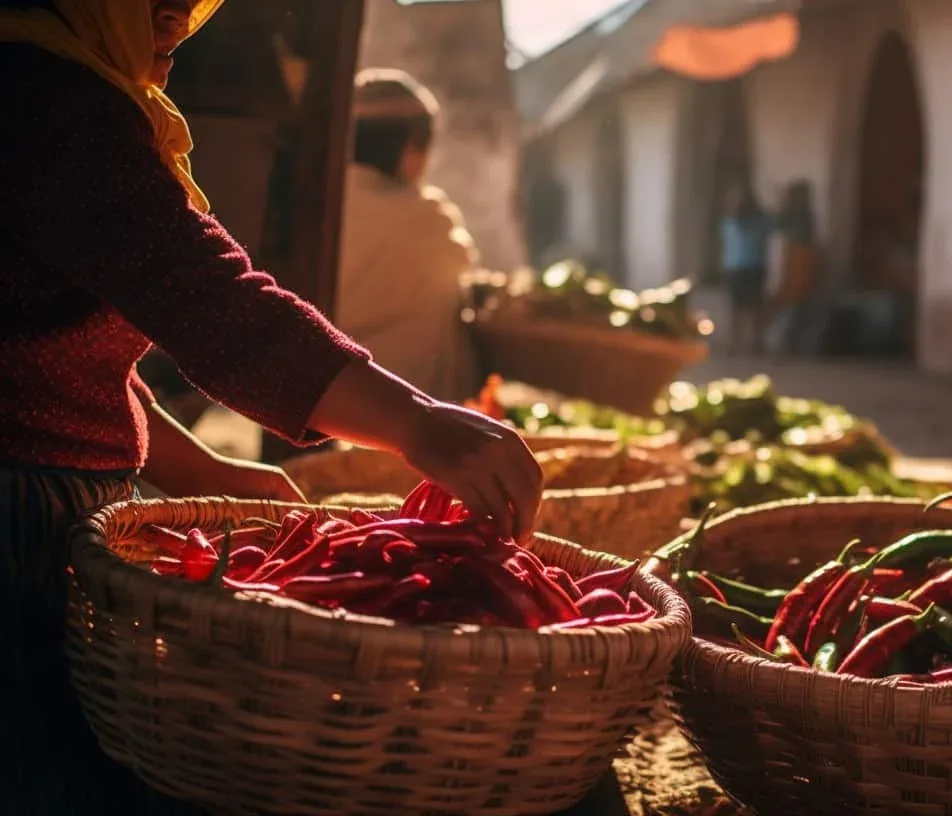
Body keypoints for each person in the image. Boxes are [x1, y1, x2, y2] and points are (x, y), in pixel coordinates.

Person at [0, 1, 544, 813]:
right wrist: (414, 421)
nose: (178, 17)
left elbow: (60, 361)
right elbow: (218, 308)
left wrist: (208, 468)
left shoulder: (57, 81)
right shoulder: (44, 93)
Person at [337, 68, 479, 402]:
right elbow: (461, 266)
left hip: (335, 402)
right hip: (408, 411)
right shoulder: (428, 220)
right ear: (411, 147)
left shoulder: (320, 205)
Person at [719, 180, 774, 355]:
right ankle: (737, 342)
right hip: (739, 267)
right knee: (739, 307)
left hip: (749, 266)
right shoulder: (731, 220)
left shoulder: (749, 221)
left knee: (752, 307)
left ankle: (753, 342)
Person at [769, 179, 818, 355]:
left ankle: (787, 344)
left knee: (795, 305)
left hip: (800, 261)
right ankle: (783, 343)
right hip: (792, 261)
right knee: (789, 303)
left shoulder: (803, 215)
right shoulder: (797, 215)